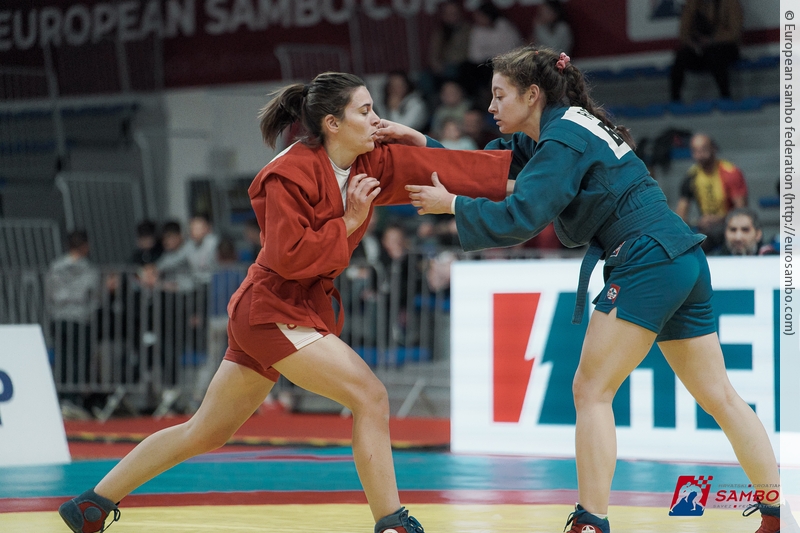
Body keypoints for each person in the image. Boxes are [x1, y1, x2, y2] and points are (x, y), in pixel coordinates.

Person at [58, 71, 513, 533]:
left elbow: (447, 171)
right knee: (371, 396)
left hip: (285, 311)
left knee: (205, 431)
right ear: (333, 123)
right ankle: (392, 523)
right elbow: (288, 258)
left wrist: (521, 183)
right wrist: (350, 220)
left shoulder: (368, 160)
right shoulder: (286, 174)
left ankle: (91, 504)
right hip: (271, 309)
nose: (378, 120)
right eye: (365, 111)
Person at [378, 46, 788, 533]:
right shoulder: (563, 127)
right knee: (722, 396)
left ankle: (590, 522)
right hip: (681, 254)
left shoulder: (561, 139)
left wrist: (453, 207)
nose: (490, 107)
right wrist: (421, 143)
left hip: (647, 255)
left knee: (591, 389)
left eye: (499, 95)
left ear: (532, 94)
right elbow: (487, 167)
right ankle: (777, 514)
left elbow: (522, 217)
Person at [46, 230, 101, 417]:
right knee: (79, 359)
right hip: (80, 319)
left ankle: (62, 398)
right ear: (85, 246)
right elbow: (94, 296)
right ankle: (73, 399)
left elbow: (50, 293)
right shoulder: (89, 269)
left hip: (59, 318)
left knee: (62, 358)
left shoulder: (56, 266)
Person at [674, 132, 748, 252]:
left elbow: (742, 211)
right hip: (706, 231)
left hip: (731, 228)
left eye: (703, 149)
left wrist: (718, 220)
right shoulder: (691, 176)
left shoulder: (730, 172)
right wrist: (692, 225)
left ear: (713, 148)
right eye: (695, 150)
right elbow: (681, 213)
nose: (700, 155)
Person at [670, 0, 743, 102]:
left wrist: (712, 40)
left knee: (715, 54)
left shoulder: (730, 3)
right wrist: (694, 43)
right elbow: (683, 33)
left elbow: (734, 33)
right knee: (681, 55)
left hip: (725, 47)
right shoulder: (692, 4)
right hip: (701, 49)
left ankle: (726, 97)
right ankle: (675, 100)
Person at [710, 207, 777, 256]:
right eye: (733, 230)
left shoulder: (773, 260)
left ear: (758, 234)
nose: (738, 237)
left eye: (745, 230)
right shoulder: (714, 260)